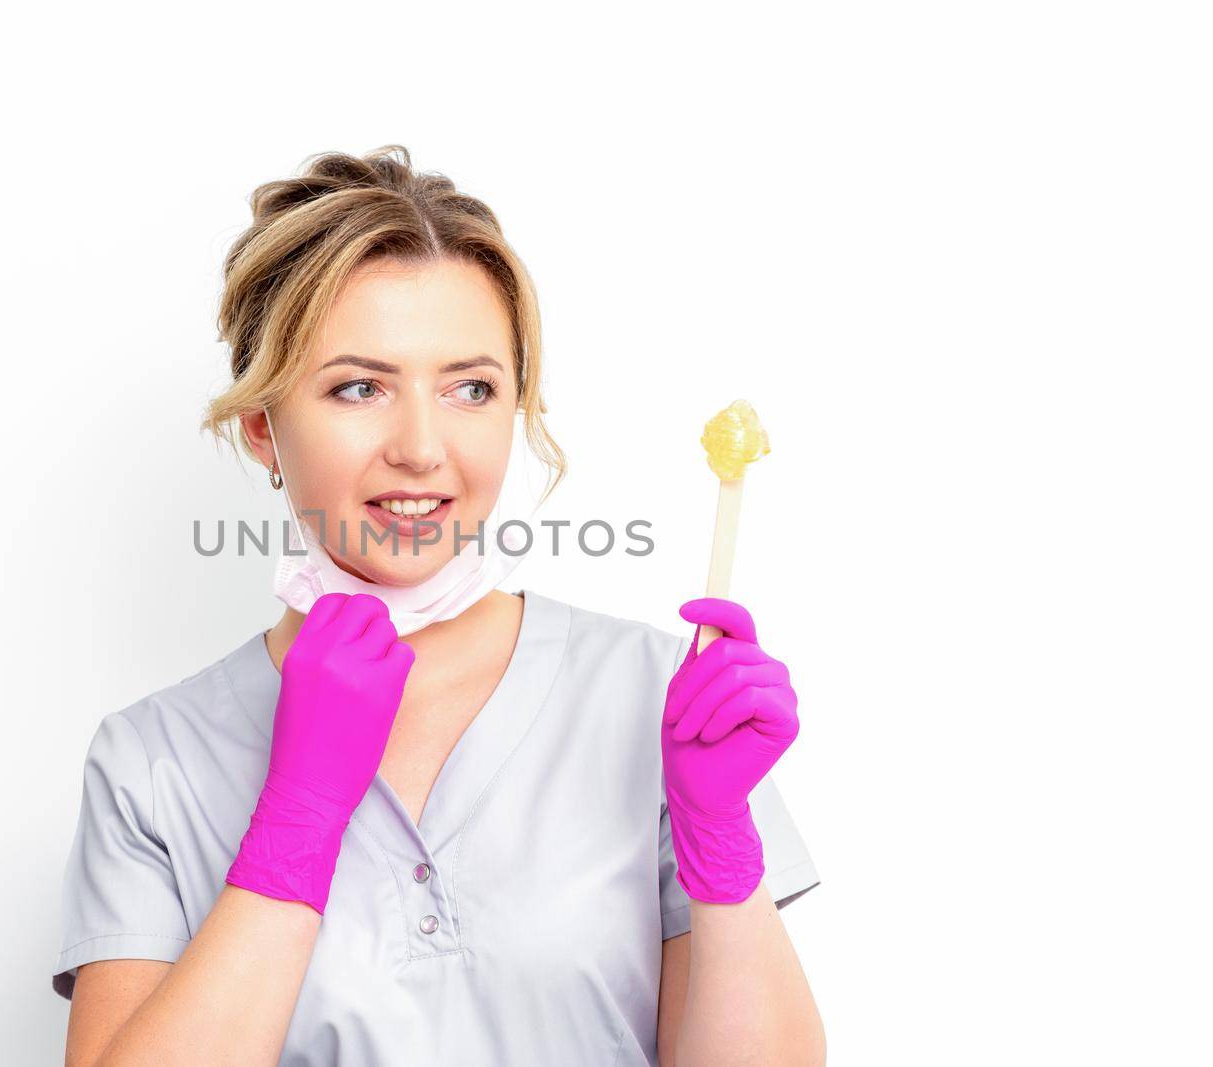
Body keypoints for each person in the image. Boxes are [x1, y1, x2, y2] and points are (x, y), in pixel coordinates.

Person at [50, 145, 825, 1067]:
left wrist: (721, 845)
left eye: (470, 387)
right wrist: (298, 818)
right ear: (262, 424)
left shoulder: (656, 694)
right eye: (358, 386)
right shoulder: (153, 762)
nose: (422, 447)